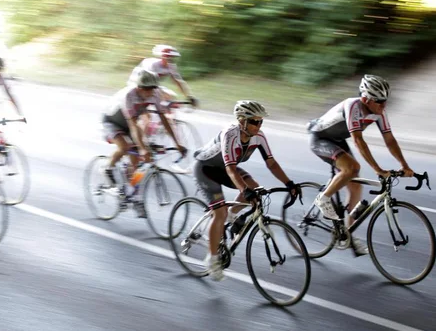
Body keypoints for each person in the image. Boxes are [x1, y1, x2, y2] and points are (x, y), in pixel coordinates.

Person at [308, 74, 415, 256]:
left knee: (356, 186)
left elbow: (389, 139)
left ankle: (347, 235)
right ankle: (323, 198)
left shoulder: (379, 112)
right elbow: (358, 140)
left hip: (337, 140)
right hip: (320, 139)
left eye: (385, 101)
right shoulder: (353, 106)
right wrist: (378, 170)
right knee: (352, 168)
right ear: (366, 99)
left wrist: (405, 165)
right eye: (380, 102)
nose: (384, 106)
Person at [193, 100, 298, 281]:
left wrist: (289, 183)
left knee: (255, 189)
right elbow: (231, 169)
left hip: (226, 168)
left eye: (260, 122)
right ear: (242, 121)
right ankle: (212, 258)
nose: (258, 126)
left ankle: (231, 215)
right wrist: (244, 189)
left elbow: (271, 163)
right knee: (220, 212)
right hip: (207, 169)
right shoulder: (230, 134)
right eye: (254, 121)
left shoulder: (259, 137)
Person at [101, 69, 188, 217]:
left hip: (131, 123)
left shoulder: (155, 94)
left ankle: (131, 194)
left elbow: (165, 120)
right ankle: (107, 167)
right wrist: (142, 148)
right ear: (138, 88)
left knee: (136, 162)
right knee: (125, 147)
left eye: (153, 88)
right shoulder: (129, 95)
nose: (150, 92)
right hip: (113, 121)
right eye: (146, 89)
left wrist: (177, 142)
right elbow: (134, 125)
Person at [128, 45, 196, 105]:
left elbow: (179, 82)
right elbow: (146, 82)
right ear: (162, 57)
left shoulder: (171, 67)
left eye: (172, 57)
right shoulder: (153, 64)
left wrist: (189, 96)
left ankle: (165, 115)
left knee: (171, 96)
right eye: (168, 57)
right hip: (137, 82)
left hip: (151, 84)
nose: (170, 59)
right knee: (156, 96)